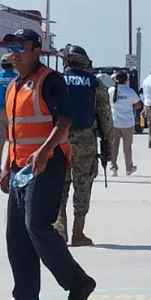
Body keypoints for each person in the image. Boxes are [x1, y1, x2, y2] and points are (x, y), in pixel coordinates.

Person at [0, 29, 96, 300]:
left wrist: (43, 152)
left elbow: (64, 120)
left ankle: (78, 282)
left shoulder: (49, 80)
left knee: (36, 225)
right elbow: (14, 132)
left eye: (20, 46)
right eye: (10, 46)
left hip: (47, 162)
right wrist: (5, 166)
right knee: (16, 234)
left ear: (36, 49)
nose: (14, 52)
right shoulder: (14, 85)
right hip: (20, 167)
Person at [54, 45, 113, 246]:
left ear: (66, 62)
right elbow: (105, 116)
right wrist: (109, 144)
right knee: (83, 185)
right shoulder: (95, 84)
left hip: (58, 139)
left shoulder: (56, 81)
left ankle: (60, 223)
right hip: (85, 140)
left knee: (60, 183)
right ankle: (78, 232)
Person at [107, 71, 141, 177]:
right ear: (126, 80)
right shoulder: (130, 91)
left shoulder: (111, 90)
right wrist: (130, 106)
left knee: (114, 146)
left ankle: (113, 167)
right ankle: (128, 167)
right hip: (127, 123)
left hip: (114, 121)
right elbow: (138, 105)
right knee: (127, 147)